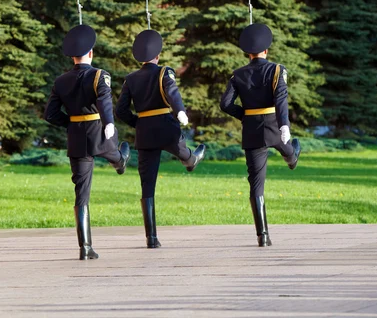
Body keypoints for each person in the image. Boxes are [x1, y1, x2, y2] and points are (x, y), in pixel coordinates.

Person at [44, 24, 131, 260]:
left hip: (77, 136)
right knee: (114, 152)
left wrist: (72, 124)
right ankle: (119, 161)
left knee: (81, 194)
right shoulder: (98, 75)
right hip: (98, 131)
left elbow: (50, 114)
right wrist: (108, 122)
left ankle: (85, 247)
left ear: (73, 56)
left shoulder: (61, 80)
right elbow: (103, 99)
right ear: (90, 53)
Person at [115, 29, 206, 249]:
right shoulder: (164, 72)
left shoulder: (130, 79)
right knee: (183, 151)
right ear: (158, 56)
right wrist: (181, 111)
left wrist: (139, 123)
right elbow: (172, 91)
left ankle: (151, 238)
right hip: (165, 126)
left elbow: (120, 110)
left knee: (147, 186)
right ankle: (190, 160)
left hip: (145, 132)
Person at [219, 23, 301, 247]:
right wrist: (284, 125)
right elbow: (281, 98)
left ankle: (262, 235)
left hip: (252, 127)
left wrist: (245, 115)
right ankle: (292, 157)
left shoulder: (238, 74)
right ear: (266, 50)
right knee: (289, 149)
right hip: (274, 124)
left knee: (256, 184)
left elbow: (225, 104)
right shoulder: (276, 70)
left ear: (248, 52)